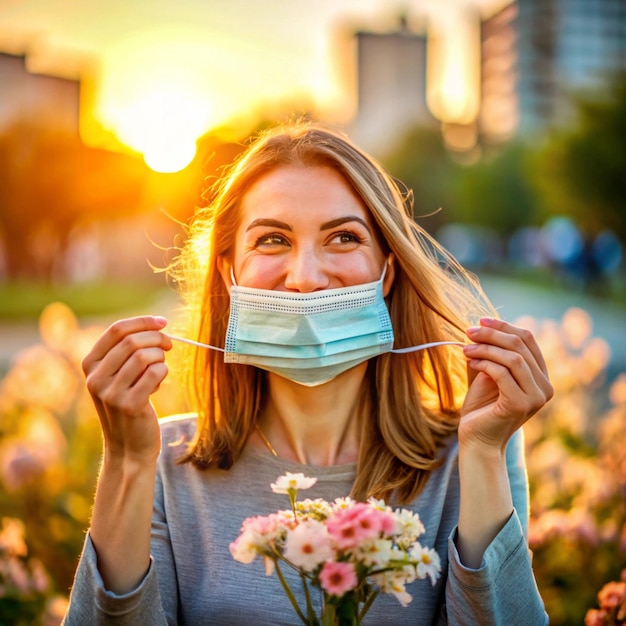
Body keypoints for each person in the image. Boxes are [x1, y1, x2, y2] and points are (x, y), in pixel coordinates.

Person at [63, 122, 552, 625]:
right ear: (230, 273)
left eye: (343, 237)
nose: (306, 278)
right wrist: (124, 461)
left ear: (387, 269)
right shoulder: (161, 463)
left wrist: (484, 454)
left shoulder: (472, 452)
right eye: (273, 240)